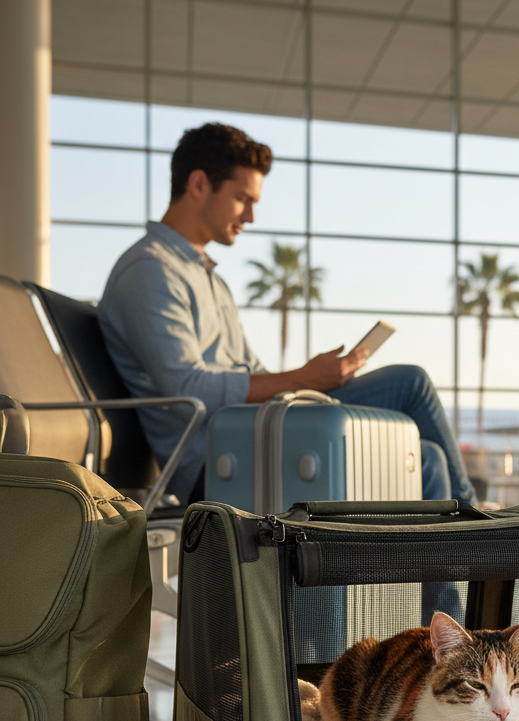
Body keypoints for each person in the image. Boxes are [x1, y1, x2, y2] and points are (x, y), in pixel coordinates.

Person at [97, 122, 474, 506]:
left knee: (429, 457)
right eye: (244, 199)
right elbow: (186, 388)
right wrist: (304, 377)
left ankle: (452, 554)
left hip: (255, 434)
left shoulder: (206, 277)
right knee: (410, 384)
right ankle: (479, 532)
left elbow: (251, 372)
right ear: (198, 185)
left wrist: (312, 384)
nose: (251, 216)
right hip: (219, 460)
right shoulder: (149, 270)